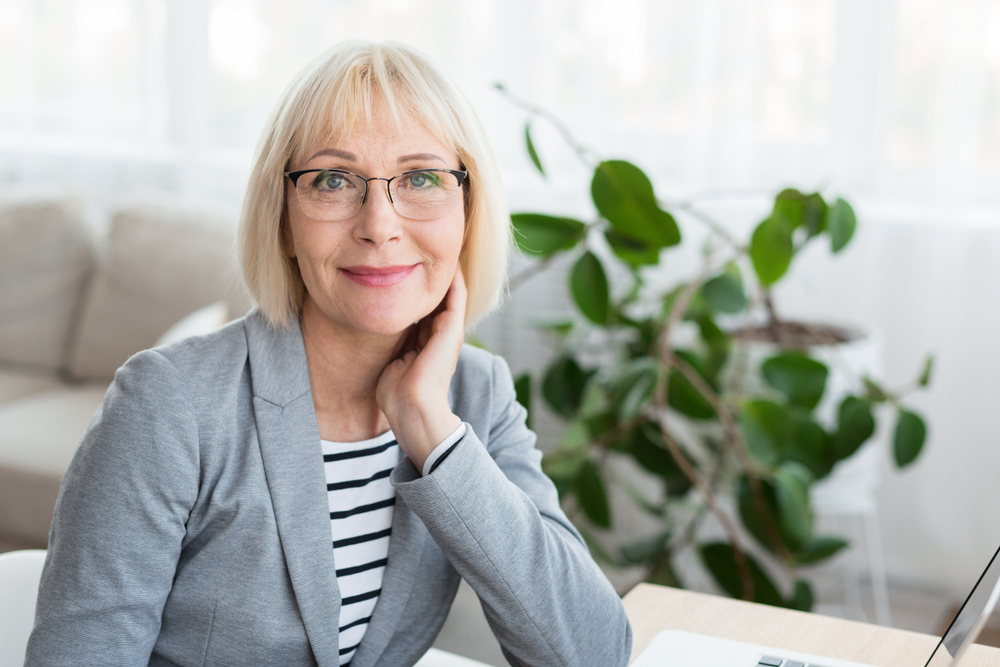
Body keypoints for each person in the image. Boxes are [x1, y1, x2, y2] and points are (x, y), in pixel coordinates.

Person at [25, 41, 632, 667]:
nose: (379, 224)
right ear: (284, 218)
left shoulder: (476, 395)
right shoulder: (169, 404)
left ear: (468, 212)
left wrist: (429, 426)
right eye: (332, 180)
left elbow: (593, 654)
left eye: (421, 178)